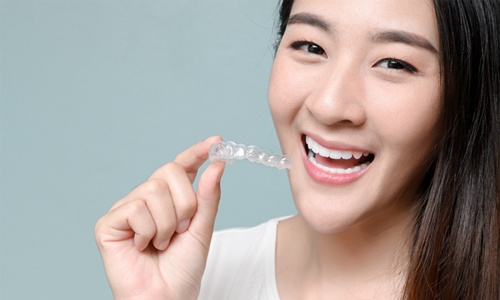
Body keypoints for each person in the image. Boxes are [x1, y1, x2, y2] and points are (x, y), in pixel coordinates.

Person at [94, 0, 499, 299]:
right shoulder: (203, 272)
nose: (328, 105)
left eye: (393, 63)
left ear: (467, 98)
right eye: (311, 46)